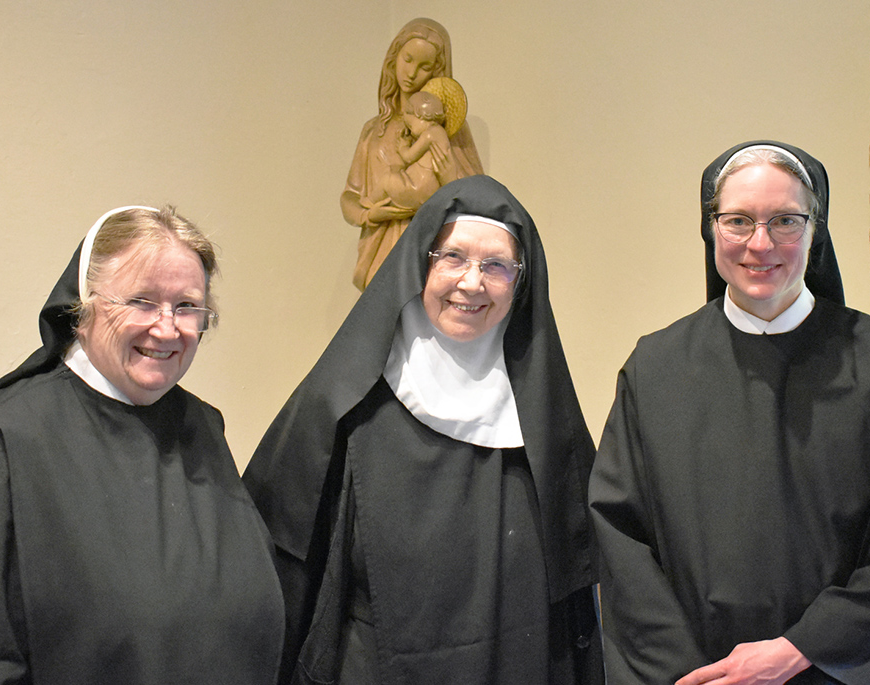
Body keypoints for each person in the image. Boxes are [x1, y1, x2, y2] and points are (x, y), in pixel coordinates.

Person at [589, 141, 870, 684]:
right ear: (710, 228)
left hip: (833, 669)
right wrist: (689, 673)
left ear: (816, 230)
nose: (760, 243)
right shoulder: (653, 369)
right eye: (738, 221)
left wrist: (802, 648)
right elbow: (620, 539)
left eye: (786, 221)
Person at [246, 175, 603, 684]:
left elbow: (577, 583)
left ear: (521, 284)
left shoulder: (545, 426)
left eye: (496, 266)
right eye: (452, 257)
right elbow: (292, 556)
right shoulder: (346, 405)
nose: (472, 282)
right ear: (421, 262)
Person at [0, 206, 285, 683]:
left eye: (186, 306)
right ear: (84, 305)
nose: (167, 327)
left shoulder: (202, 427)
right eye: (141, 301)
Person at [341, 17, 483, 291]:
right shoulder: (373, 130)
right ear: (393, 57)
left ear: (437, 71)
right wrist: (369, 215)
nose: (411, 72)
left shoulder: (452, 129)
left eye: (424, 66)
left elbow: (477, 198)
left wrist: (449, 176)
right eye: (407, 59)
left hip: (431, 248)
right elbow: (349, 196)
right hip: (379, 251)